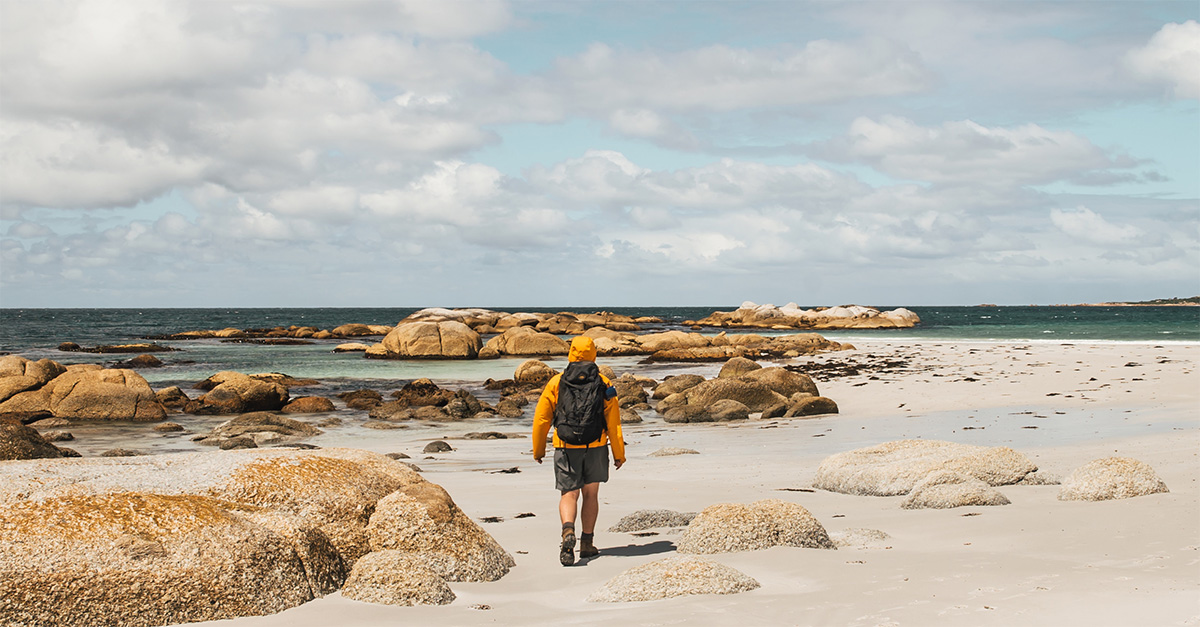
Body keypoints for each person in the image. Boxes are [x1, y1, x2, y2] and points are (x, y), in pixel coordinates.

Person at [532, 335, 625, 566]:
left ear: (571, 353)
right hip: (595, 445)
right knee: (591, 495)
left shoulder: (557, 382)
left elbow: (542, 418)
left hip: (565, 446)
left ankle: (567, 531)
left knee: (569, 494)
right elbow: (613, 422)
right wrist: (618, 453)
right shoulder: (604, 382)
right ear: (594, 353)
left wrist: (539, 449)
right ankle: (587, 543)